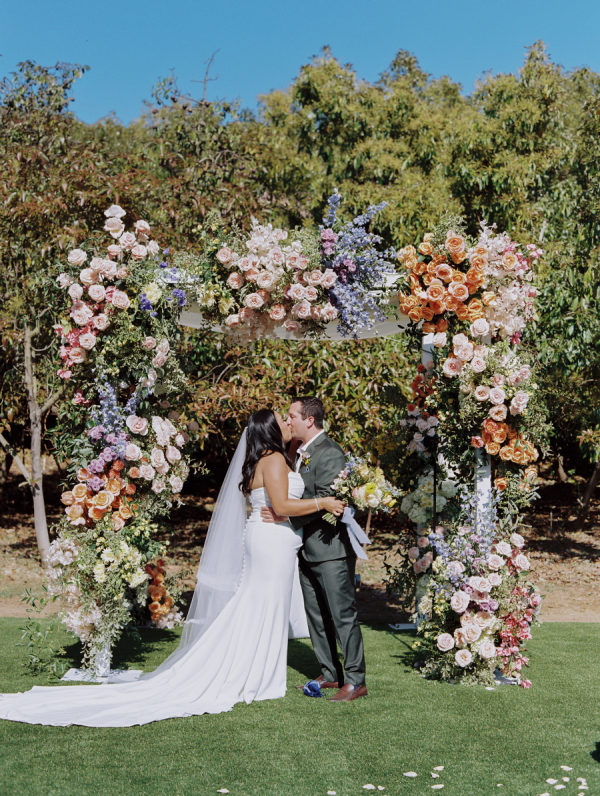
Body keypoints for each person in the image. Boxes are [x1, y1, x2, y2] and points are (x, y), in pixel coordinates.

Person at [0, 409, 344, 727]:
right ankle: (255, 674)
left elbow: (275, 504)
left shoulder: (266, 459)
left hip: (269, 539)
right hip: (272, 542)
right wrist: (324, 502)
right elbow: (281, 506)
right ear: (270, 429)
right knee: (263, 606)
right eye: (282, 420)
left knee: (259, 606)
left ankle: (256, 669)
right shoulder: (274, 460)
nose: (287, 423)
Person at [262, 397, 368, 702]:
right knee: (317, 616)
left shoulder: (330, 452)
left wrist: (286, 514)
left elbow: (329, 502)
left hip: (331, 549)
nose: (288, 421)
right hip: (305, 547)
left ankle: (356, 681)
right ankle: (330, 674)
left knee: (342, 615)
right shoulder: (298, 452)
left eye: (292, 416)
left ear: (309, 420)